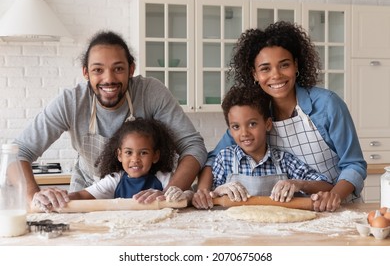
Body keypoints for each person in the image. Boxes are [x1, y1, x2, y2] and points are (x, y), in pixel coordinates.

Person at [13, 30, 207, 207]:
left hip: (146, 196)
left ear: (131, 69)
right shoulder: (71, 102)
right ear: (86, 72)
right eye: (98, 70)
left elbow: (193, 146)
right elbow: (18, 151)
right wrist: (33, 196)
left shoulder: (150, 92)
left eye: (118, 69)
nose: (109, 79)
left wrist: (169, 193)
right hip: (88, 195)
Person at [195, 21, 367, 212]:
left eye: (284, 65)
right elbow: (214, 159)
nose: (276, 75)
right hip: (294, 210)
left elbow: (354, 164)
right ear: (254, 74)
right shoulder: (256, 116)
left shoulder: (327, 105)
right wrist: (203, 191)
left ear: (296, 65)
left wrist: (334, 195)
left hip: (340, 206)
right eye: (265, 68)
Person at [192, 85, 333, 209]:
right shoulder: (224, 159)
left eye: (252, 124)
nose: (244, 133)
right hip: (234, 234)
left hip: (277, 233)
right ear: (230, 130)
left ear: (267, 124)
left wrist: (298, 184)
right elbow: (205, 197)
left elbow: (326, 185)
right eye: (236, 127)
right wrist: (217, 192)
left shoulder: (284, 161)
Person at [32, 118, 193, 212]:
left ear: (155, 156)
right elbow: (82, 196)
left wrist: (182, 194)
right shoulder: (114, 180)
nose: (135, 159)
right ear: (119, 155)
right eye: (129, 152)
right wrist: (57, 197)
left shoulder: (164, 179)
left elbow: (187, 195)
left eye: (143, 153)